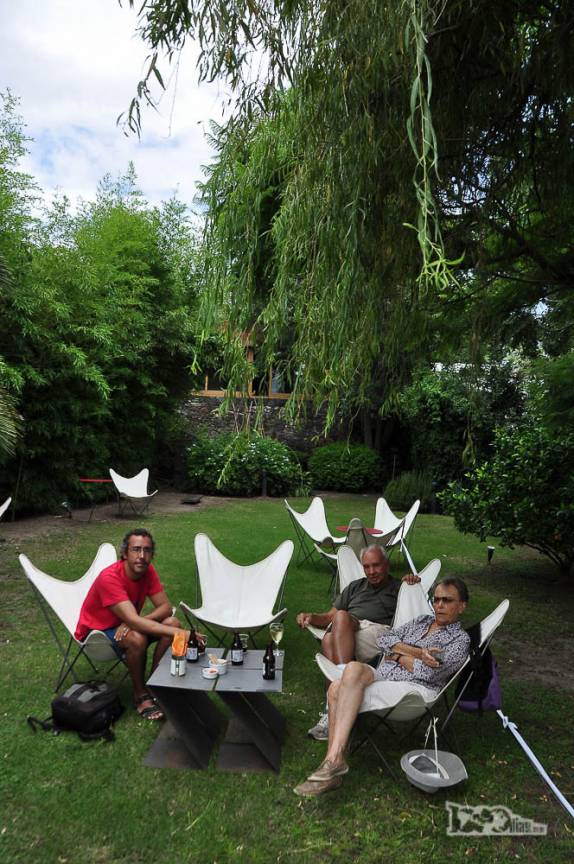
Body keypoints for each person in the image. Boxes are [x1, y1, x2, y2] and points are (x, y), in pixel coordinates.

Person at [294, 576, 471, 797]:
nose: (439, 605)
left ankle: (332, 765)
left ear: (462, 606)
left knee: (336, 689)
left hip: (411, 691)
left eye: (447, 600)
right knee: (353, 669)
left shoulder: (459, 640)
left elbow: (429, 672)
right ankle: (335, 761)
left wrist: (397, 656)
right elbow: (385, 639)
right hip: (383, 675)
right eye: (436, 600)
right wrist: (416, 654)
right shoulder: (421, 622)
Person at [296, 544, 420, 739]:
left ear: (386, 565)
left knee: (331, 637)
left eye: (376, 565)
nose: (372, 571)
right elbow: (330, 616)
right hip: (348, 629)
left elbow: (420, 604)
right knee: (333, 630)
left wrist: (412, 583)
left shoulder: (398, 587)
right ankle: (340, 702)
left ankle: (334, 706)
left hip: (379, 633)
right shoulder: (355, 587)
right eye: (367, 566)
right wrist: (311, 616)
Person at [75, 528, 191, 721]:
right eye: (136, 549)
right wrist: (183, 635)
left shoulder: (147, 571)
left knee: (173, 622)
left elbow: (165, 608)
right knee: (139, 638)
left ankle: (155, 683)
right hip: (97, 633)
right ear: (125, 553)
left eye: (147, 550)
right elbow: (135, 621)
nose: (142, 556)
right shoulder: (110, 578)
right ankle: (140, 695)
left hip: (126, 623)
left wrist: (134, 622)